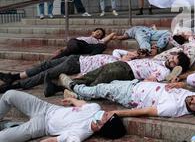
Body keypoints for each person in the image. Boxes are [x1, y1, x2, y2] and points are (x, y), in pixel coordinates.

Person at [0, 90, 126, 142]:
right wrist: (72, 100)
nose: (105, 112)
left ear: (100, 127)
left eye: (106, 116)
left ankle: (10, 126)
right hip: (46, 108)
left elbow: (53, 141)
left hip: (42, 126)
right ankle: (9, 125)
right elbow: (82, 104)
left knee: (3, 140)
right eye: (108, 113)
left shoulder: (78, 135)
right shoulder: (95, 108)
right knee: (9, 95)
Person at [0, 49, 154, 96]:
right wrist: (131, 52)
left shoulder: (121, 65)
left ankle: (14, 86)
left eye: (135, 56)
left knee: (45, 74)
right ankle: (13, 77)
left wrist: (133, 58)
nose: (131, 55)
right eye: (132, 54)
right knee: (44, 65)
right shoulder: (117, 55)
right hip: (76, 58)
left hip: (76, 66)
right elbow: (117, 50)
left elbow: (98, 72)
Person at [48, 49, 188, 97]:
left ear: (178, 67)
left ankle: (77, 94)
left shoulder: (164, 71)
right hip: (121, 64)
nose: (171, 61)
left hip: (127, 72)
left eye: (175, 62)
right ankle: (59, 88)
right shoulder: (158, 61)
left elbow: (149, 80)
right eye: (173, 58)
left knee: (96, 83)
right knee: (90, 76)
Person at [62, 79, 195, 119]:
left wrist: (117, 113)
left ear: (194, 111)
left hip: (130, 95)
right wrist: (179, 83)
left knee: (100, 89)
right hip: (136, 83)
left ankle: (73, 86)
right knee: (107, 86)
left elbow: (145, 111)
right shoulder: (189, 95)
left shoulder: (173, 108)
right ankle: (76, 97)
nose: (192, 100)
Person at [51, 28, 115, 60]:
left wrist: (115, 37)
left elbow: (112, 34)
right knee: (72, 44)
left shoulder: (98, 41)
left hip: (82, 47)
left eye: (100, 34)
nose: (98, 34)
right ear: (93, 32)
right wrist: (61, 49)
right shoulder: (82, 38)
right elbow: (71, 43)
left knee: (70, 50)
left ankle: (53, 60)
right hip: (75, 43)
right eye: (97, 32)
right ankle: (53, 60)